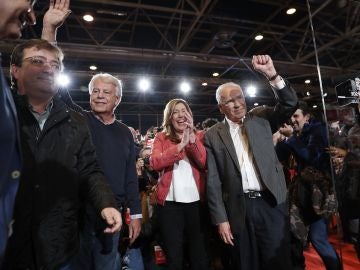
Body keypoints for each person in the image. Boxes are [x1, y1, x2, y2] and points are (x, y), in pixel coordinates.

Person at [4, 39, 121, 270]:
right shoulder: (4, 114)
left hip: (60, 245)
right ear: (15, 70)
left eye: (55, 65)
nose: (48, 68)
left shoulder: (75, 121)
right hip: (9, 244)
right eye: (37, 61)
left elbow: (89, 170)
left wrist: (106, 203)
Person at [204, 55, 298, 270]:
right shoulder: (212, 135)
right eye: (229, 101)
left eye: (239, 97)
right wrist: (221, 219)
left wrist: (271, 74)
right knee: (245, 263)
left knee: (278, 261)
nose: (237, 104)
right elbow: (213, 181)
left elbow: (290, 103)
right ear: (220, 107)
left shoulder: (262, 118)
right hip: (238, 208)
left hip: (270, 203)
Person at [0, 0, 70, 265]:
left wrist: (49, 30)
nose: (31, 14)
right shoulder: (16, 108)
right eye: (28, 1)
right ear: (15, 72)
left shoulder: (66, 115)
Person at [58, 73, 142, 270]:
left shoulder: (125, 133)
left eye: (106, 92)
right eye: (95, 91)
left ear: (117, 99)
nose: (99, 96)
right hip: (79, 212)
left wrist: (136, 215)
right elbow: (60, 95)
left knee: (107, 264)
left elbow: (130, 176)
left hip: (113, 215)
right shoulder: (79, 120)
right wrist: (50, 44)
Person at [275, 101, 341, 270]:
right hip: (303, 193)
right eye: (291, 117)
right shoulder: (298, 132)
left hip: (319, 194)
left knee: (318, 238)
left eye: (296, 116)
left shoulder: (318, 130)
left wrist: (291, 138)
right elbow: (281, 156)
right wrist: (281, 139)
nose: (293, 120)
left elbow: (313, 159)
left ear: (307, 116)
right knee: (299, 235)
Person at [150, 98, 209, 270]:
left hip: (197, 204)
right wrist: (179, 147)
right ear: (169, 117)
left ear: (190, 115)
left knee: (199, 256)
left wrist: (190, 141)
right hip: (169, 206)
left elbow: (204, 162)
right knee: (174, 256)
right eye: (176, 112)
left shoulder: (200, 136)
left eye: (184, 111)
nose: (181, 115)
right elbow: (155, 162)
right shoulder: (161, 137)